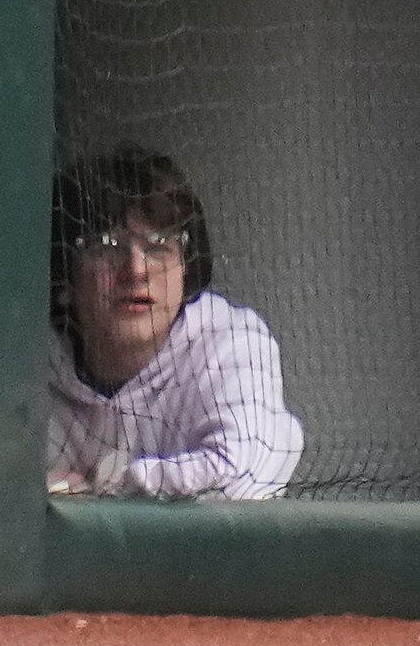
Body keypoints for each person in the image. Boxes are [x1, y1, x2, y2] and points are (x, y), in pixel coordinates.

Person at [48, 147, 302, 500]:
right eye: (106, 246)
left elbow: (236, 475)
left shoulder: (229, 342)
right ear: (63, 280)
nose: (136, 271)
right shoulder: (29, 368)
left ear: (185, 267)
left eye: (159, 246)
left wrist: (103, 489)